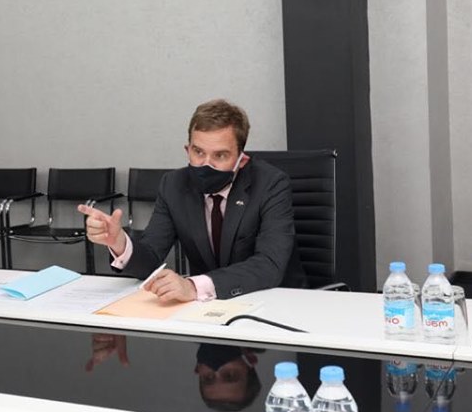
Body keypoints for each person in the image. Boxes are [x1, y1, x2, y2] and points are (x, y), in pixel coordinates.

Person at [80, 98, 306, 302]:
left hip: (275, 301)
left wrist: (193, 286)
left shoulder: (271, 184)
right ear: (187, 149)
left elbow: (269, 264)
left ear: (242, 160)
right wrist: (120, 243)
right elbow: (151, 257)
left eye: (220, 155)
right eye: (198, 152)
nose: (206, 164)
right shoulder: (174, 185)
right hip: (205, 307)